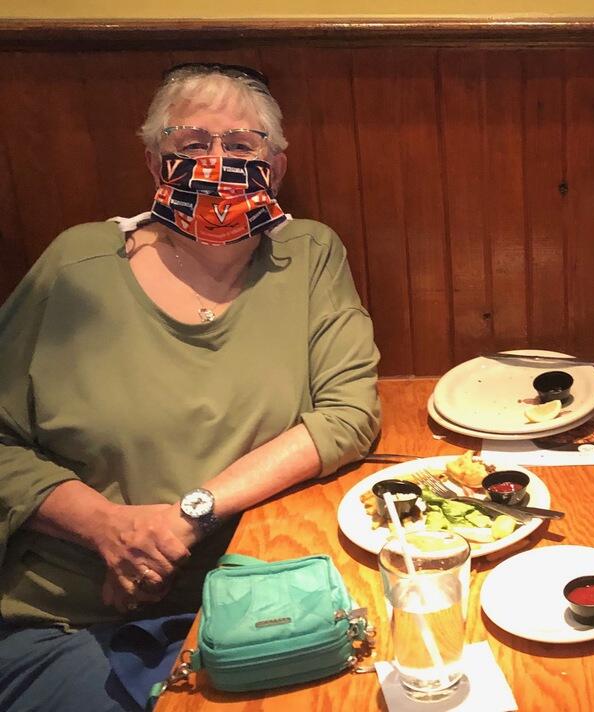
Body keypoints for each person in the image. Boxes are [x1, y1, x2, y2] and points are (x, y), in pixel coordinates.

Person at [0, 63, 381, 711]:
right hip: (68, 617)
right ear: (155, 166)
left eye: (241, 146)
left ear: (277, 167)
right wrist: (107, 528)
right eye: (192, 145)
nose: (217, 163)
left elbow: (347, 414)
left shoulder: (309, 256)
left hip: (250, 600)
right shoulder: (77, 264)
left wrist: (185, 518)